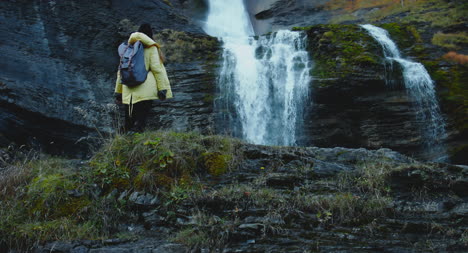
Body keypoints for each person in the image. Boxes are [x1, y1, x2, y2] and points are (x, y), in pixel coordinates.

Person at [114, 23, 172, 133]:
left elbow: (120, 71)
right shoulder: (151, 47)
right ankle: (138, 140)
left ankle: (124, 143)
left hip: (128, 87)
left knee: (128, 120)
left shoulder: (128, 47)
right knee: (140, 119)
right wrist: (162, 89)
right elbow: (157, 69)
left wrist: (118, 91)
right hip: (146, 87)